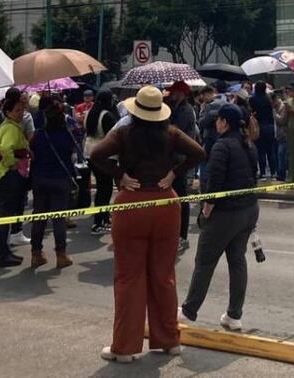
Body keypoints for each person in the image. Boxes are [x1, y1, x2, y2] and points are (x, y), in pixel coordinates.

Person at [90, 86, 206, 363]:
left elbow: (96, 154)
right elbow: (199, 152)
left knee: (129, 277)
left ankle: (125, 347)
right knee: (163, 276)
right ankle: (169, 341)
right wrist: (174, 173)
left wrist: (120, 174)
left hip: (132, 203)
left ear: (135, 109)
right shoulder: (171, 133)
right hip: (166, 202)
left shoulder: (123, 133)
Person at [179, 104, 260, 331]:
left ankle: (188, 311)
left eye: (218, 120)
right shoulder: (248, 144)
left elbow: (214, 180)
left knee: (204, 262)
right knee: (237, 261)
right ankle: (234, 315)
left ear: (224, 122)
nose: (216, 123)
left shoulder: (222, 146)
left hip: (225, 212)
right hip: (248, 209)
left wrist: (207, 208)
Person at [29, 98, 78, 269]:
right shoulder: (67, 134)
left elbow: (32, 153)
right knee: (59, 218)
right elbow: (72, 152)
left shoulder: (38, 135)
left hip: (40, 178)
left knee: (39, 216)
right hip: (60, 179)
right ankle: (61, 254)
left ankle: (36, 254)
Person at [0, 93, 32, 267]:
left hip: (3, 174)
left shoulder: (7, 126)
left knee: (3, 213)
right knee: (5, 214)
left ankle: (4, 250)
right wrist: (12, 163)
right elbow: (6, 148)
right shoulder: (11, 129)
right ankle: (2, 253)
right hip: (8, 175)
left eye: (22, 109)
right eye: (17, 110)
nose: (21, 113)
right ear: (8, 111)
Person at [167, 81, 200, 251]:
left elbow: (174, 130)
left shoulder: (185, 110)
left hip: (179, 158)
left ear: (181, 93)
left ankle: (182, 236)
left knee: (181, 198)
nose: (171, 94)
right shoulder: (177, 107)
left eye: (173, 92)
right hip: (174, 157)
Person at [85, 90, 119, 234]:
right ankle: (99, 222)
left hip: (89, 152)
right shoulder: (107, 116)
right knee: (105, 189)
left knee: (101, 187)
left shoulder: (89, 113)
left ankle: (103, 217)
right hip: (105, 155)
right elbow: (112, 137)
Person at [249, 81, 277, 180]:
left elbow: (251, 112)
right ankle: (274, 172)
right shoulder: (268, 99)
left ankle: (263, 173)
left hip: (259, 126)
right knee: (271, 151)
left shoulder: (252, 99)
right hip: (270, 127)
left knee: (261, 151)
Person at [273, 92, 290, 179]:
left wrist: (274, 114)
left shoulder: (282, 107)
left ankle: (282, 175)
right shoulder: (276, 107)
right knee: (281, 155)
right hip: (278, 135)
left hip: (284, 134)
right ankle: (281, 173)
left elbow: (282, 120)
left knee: (281, 155)